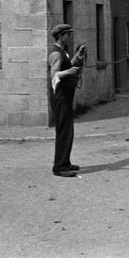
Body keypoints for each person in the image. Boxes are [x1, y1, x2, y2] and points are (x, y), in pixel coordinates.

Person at [48, 24, 86, 178]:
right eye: (68, 35)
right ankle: (59, 167)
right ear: (62, 35)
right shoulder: (56, 54)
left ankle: (65, 162)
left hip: (66, 96)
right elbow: (55, 75)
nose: (70, 37)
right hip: (60, 97)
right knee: (64, 131)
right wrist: (69, 72)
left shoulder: (63, 52)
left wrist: (78, 57)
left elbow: (69, 65)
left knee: (67, 130)